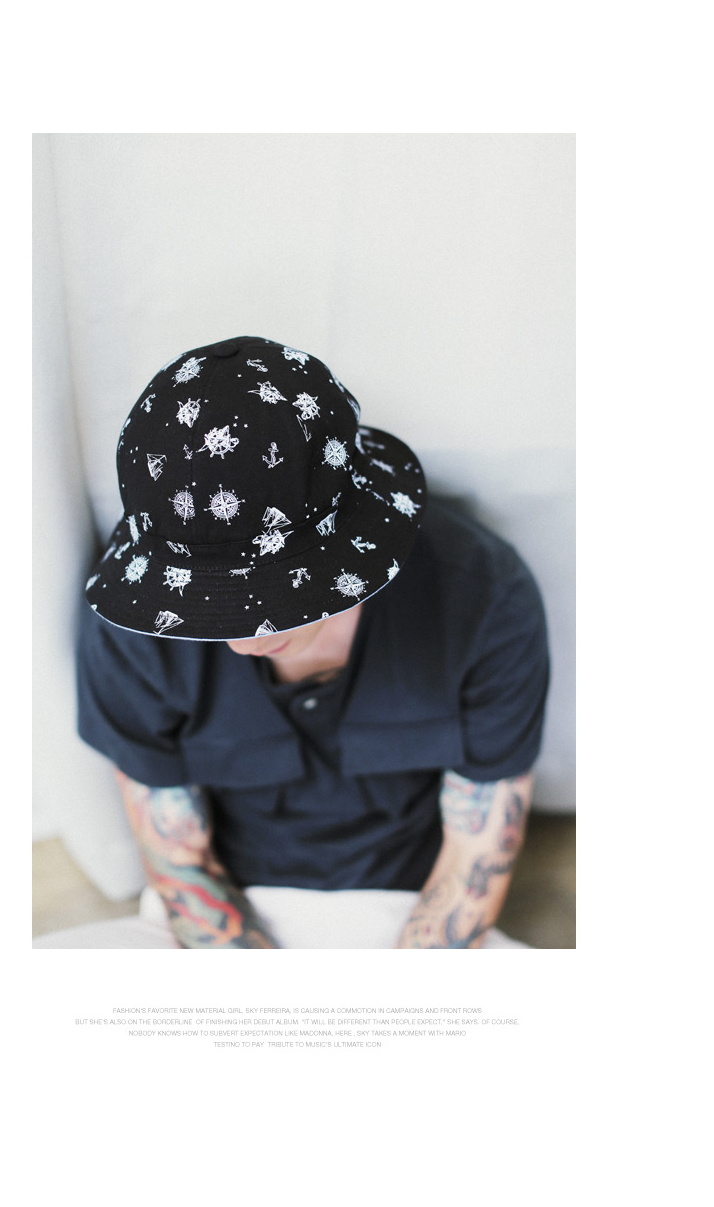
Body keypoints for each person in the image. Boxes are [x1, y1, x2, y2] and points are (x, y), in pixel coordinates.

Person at [36, 335, 549, 950]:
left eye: (271, 598)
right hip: (217, 917)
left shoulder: (484, 596)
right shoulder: (135, 633)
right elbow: (180, 864)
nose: (241, 641)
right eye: (202, 602)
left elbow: (474, 856)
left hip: (416, 912)